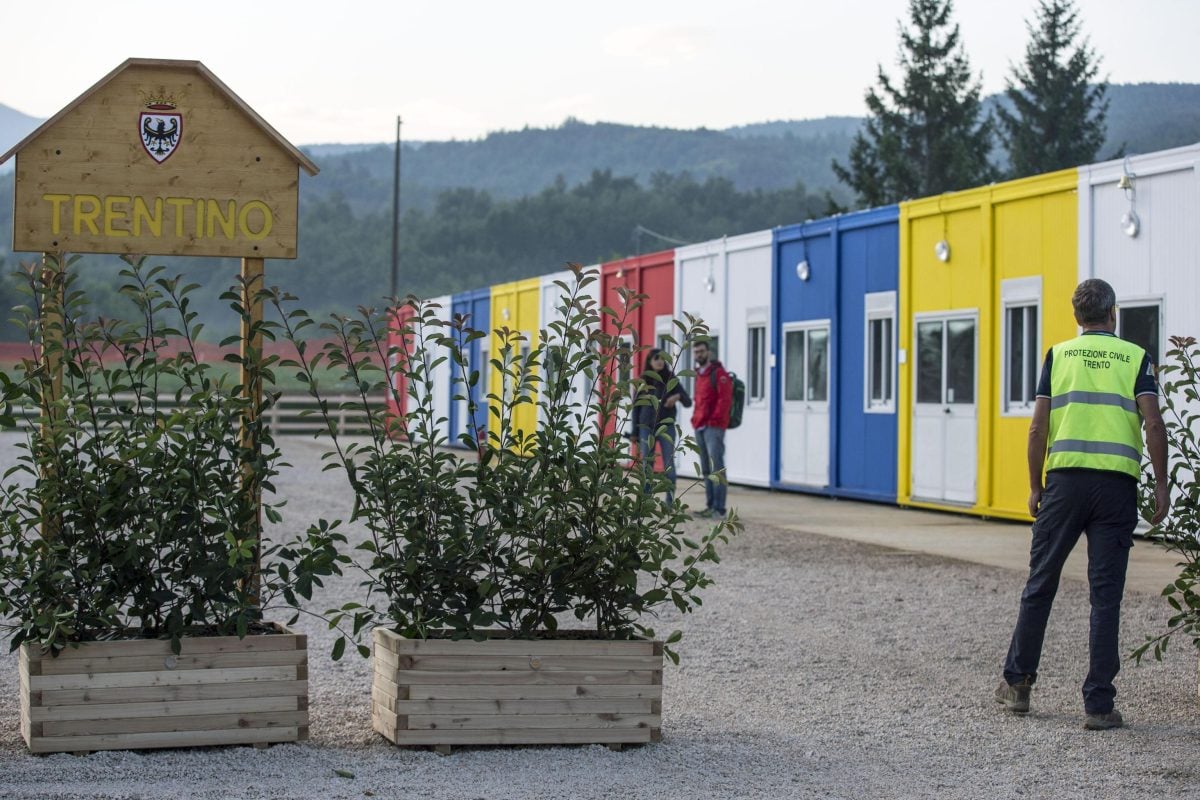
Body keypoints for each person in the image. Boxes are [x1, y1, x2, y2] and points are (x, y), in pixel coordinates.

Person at [994, 278, 1168, 731]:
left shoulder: (1059, 355)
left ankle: (1018, 686)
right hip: (1116, 490)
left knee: (1041, 582)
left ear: (1077, 317)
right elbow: (1153, 423)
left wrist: (1035, 486)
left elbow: (1036, 429)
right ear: (1113, 315)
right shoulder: (1136, 358)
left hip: (1065, 486)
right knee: (1105, 595)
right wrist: (1162, 487)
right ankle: (1098, 704)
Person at [632, 348, 690, 504]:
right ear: (649, 362)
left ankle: (669, 501)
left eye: (661, 358)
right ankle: (645, 501)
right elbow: (635, 407)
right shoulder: (643, 380)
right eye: (655, 358)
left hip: (667, 427)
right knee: (647, 466)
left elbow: (688, 401)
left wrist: (677, 396)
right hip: (646, 427)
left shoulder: (671, 379)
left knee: (669, 464)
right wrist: (634, 432)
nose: (659, 361)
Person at [690, 339, 733, 519]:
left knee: (717, 468)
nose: (699, 354)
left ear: (708, 352)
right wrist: (695, 419)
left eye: (701, 351)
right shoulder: (698, 374)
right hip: (699, 425)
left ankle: (719, 508)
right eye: (696, 352)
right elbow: (699, 400)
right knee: (706, 469)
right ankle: (710, 506)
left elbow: (725, 400)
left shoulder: (719, 374)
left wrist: (714, 420)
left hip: (713, 427)